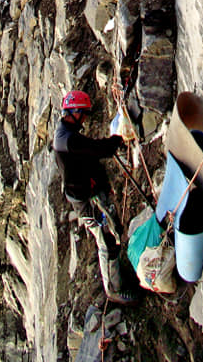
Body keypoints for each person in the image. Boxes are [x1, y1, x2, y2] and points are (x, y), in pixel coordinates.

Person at [53, 88, 139, 304]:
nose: (85, 118)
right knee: (105, 240)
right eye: (83, 113)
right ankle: (114, 290)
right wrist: (116, 141)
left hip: (87, 193)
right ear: (74, 111)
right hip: (85, 200)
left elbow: (88, 153)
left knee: (110, 232)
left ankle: (117, 274)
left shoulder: (66, 132)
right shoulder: (68, 140)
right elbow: (95, 149)